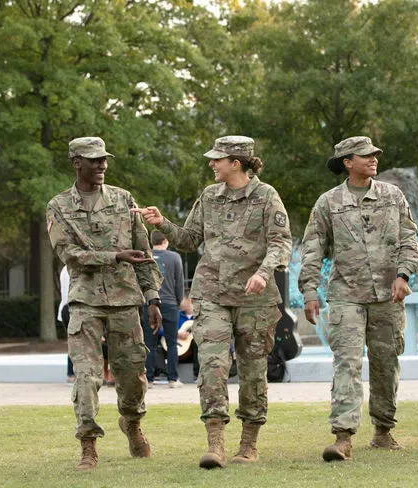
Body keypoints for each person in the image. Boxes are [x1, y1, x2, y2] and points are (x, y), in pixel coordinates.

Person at [134, 135, 292, 469]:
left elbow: (281, 243)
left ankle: (248, 445)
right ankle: (215, 443)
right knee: (213, 367)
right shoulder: (209, 196)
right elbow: (190, 239)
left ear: (236, 162)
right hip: (212, 295)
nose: (211, 163)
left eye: (217, 159)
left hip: (255, 299)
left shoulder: (266, 196)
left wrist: (264, 273)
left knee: (252, 371)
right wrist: (162, 223)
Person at [299, 136, 418, 461]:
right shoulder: (328, 202)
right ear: (347, 162)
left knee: (385, 365)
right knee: (347, 365)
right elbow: (312, 248)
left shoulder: (393, 196)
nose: (373, 159)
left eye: (375, 154)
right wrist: (310, 290)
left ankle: (383, 430)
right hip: (346, 296)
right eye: (365, 155)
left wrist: (404, 274)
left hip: (388, 297)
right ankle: (343, 437)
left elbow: (410, 238)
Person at [46, 136, 163, 470]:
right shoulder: (58, 206)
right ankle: (88, 443)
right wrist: (114, 255)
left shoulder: (124, 199)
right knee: (86, 376)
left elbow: (144, 252)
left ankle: (132, 423)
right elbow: (69, 254)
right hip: (85, 302)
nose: (102, 165)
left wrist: (152, 296)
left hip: (126, 300)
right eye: (94, 159)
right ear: (76, 162)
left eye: (104, 159)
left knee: (132, 376)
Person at [141, 230, 186, 388]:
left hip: (149, 303)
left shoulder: (145, 256)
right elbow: (179, 282)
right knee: (172, 342)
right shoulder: (175, 257)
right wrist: (179, 301)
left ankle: (150, 379)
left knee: (149, 342)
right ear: (166, 240)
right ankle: (173, 379)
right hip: (170, 303)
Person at [57, 266, 76, 382]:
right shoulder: (71, 269)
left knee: (72, 340)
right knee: (75, 341)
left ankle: (71, 373)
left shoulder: (65, 269)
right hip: (71, 308)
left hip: (66, 307)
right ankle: (71, 372)